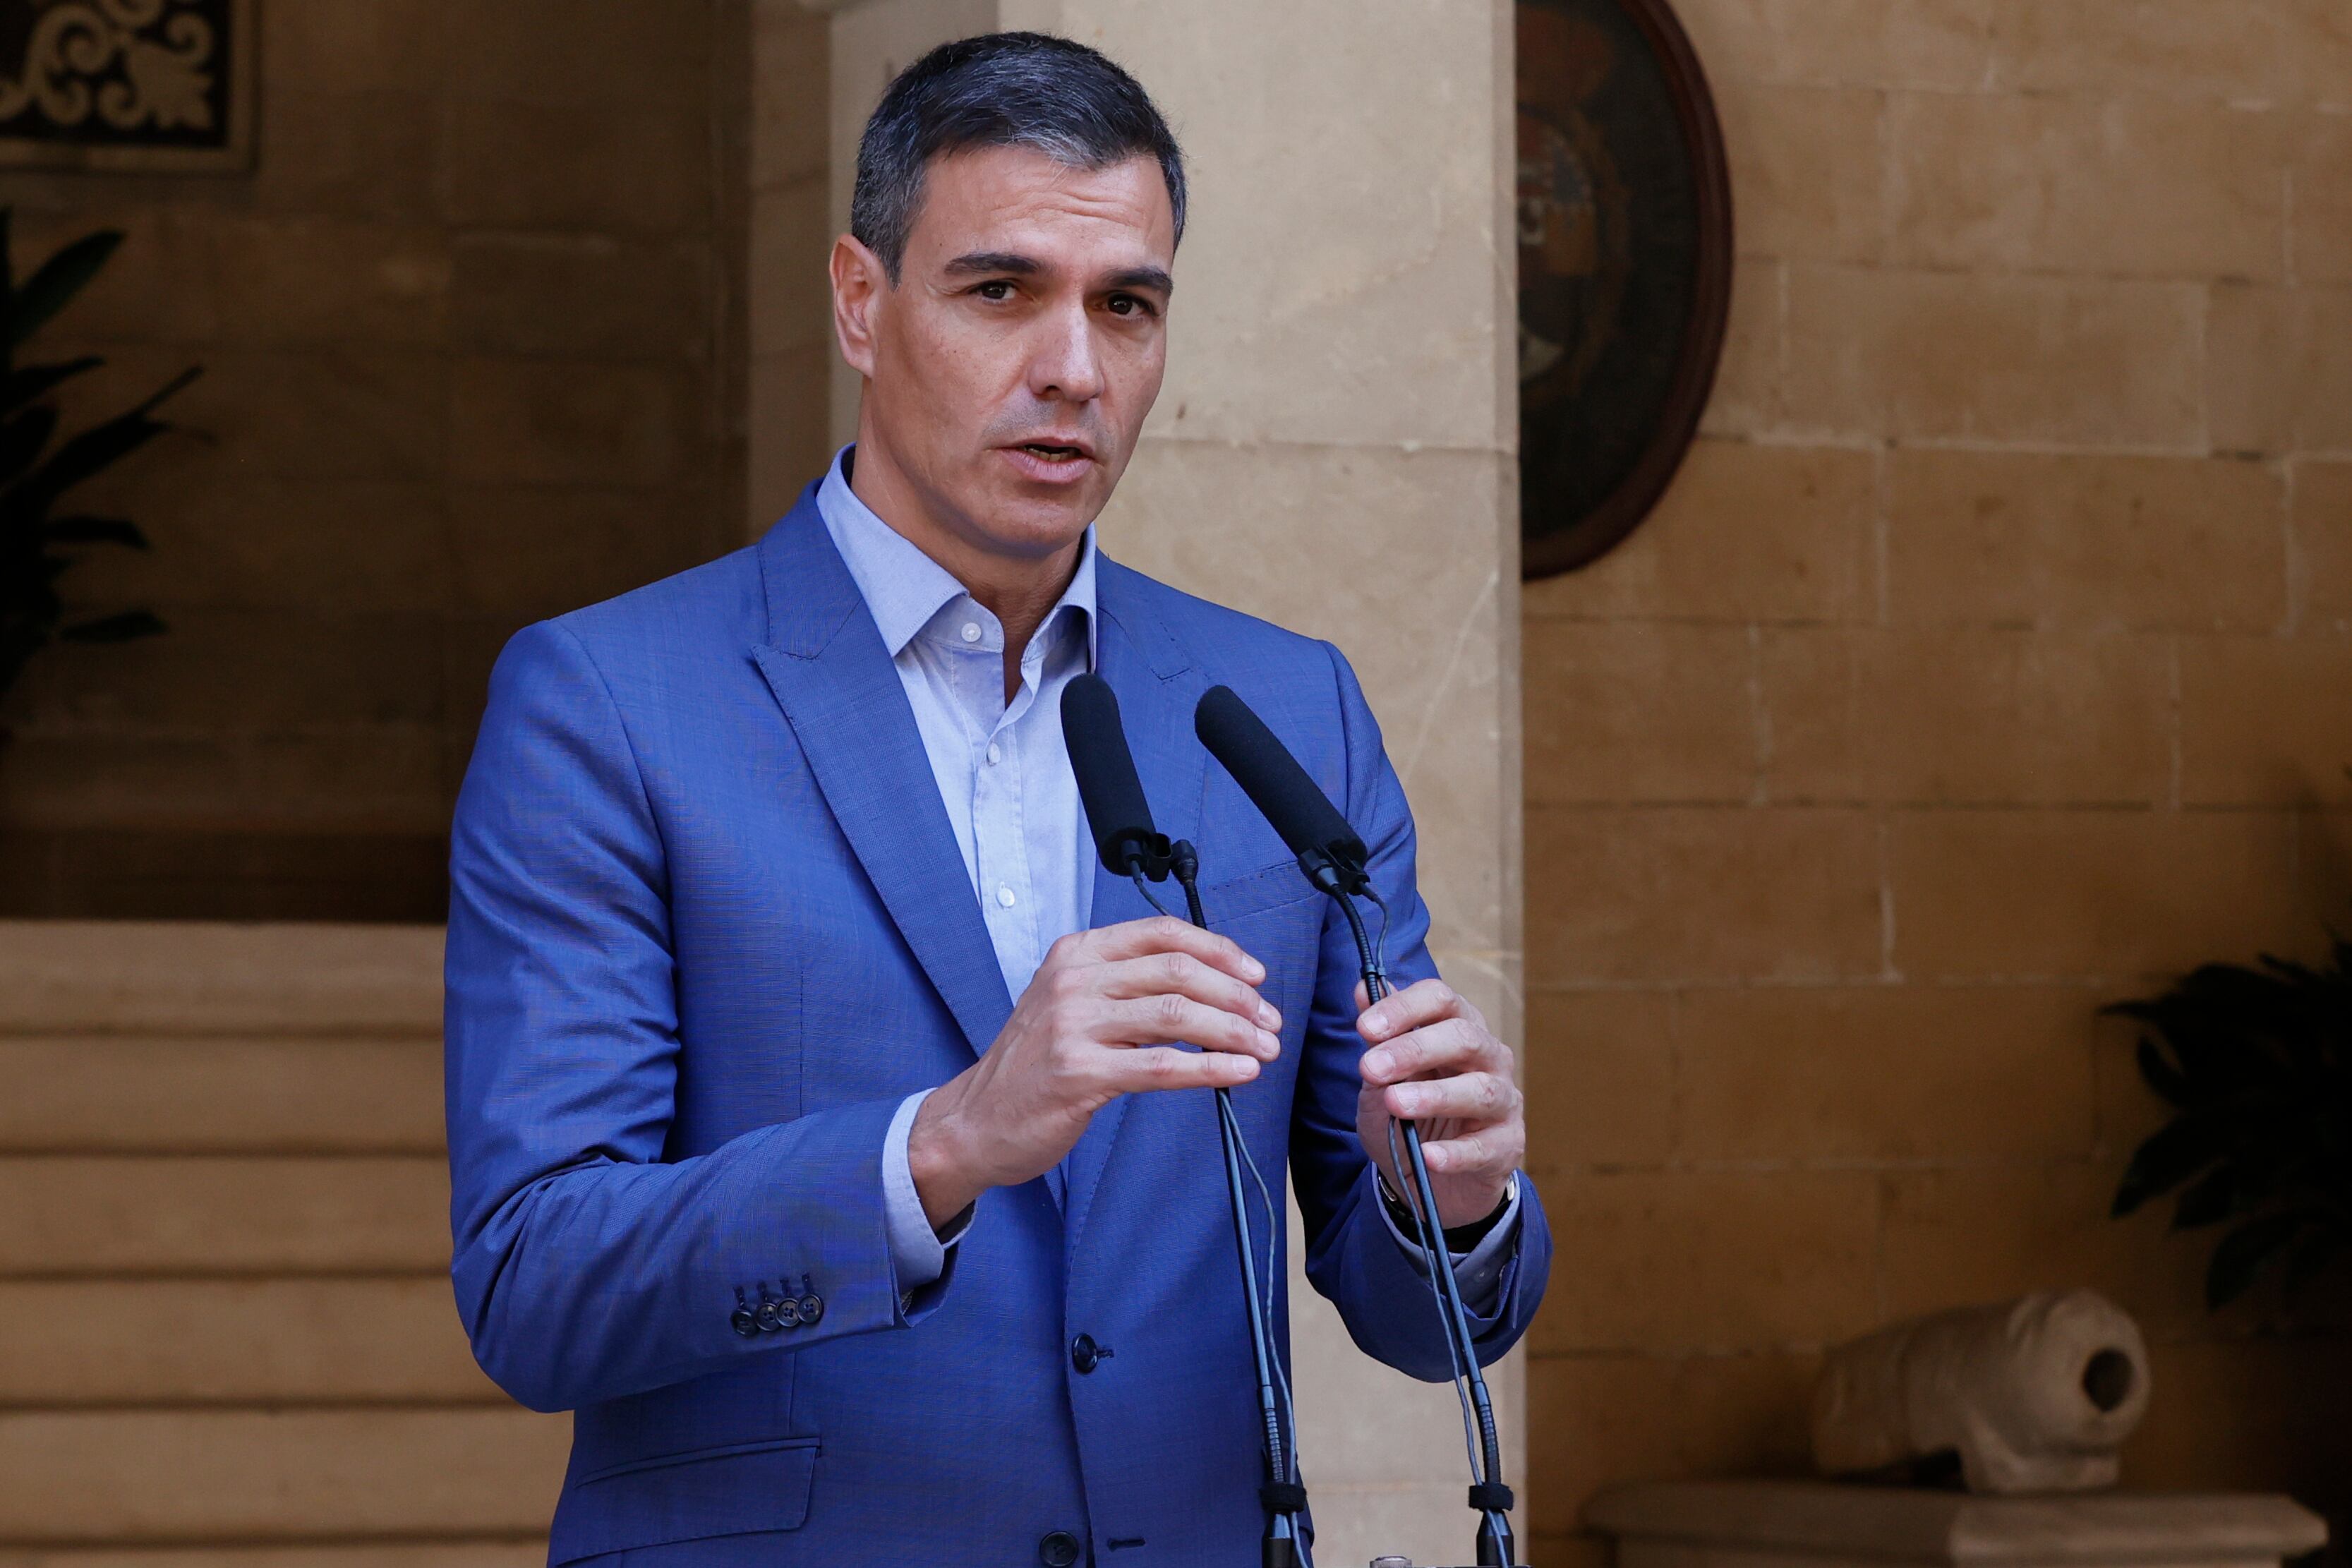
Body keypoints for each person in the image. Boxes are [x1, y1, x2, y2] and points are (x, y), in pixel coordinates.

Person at [444, 31, 1550, 1567]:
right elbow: (534, 1284)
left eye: (1126, 305)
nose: (1074, 369)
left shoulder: (1285, 711)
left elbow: (1418, 1319)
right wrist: (943, 1143)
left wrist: (1459, 1198)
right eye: (999, 290)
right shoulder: (609, 702)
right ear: (858, 298)